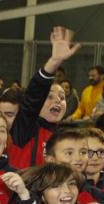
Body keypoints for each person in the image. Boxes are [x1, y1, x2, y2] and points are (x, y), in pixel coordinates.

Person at [7, 27, 80, 169]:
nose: (58, 101)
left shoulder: (65, 135)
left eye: (62, 97)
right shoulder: (25, 127)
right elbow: (34, 94)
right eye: (49, 97)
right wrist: (54, 61)